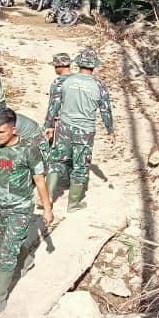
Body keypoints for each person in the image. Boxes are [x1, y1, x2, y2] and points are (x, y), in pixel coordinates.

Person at [0, 108, 54, 314]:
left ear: (13, 129)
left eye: (2, 132)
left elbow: (40, 180)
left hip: (21, 208)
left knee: (6, 253)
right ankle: (25, 257)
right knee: (5, 241)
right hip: (1, 206)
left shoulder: (29, 150)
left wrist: (47, 209)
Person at [43, 47, 114, 211]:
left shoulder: (67, 81)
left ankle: (46, 198)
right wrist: (110, 130)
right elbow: (105, 111)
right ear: (94, 66)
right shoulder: (100, 86)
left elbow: (54, 105)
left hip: (64, 127)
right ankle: (73, 203)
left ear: (79, 63)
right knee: (80, 166)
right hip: (85, 131)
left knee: (56, 161)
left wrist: (48, 126)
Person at [42, 52, 75, 199]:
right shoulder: (78, 80)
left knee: (56, 157)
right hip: (81, 123)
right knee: (74, 153)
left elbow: (53, 106)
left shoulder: (58, 82)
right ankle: (69, 182)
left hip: (63, 122)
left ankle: (47, 195)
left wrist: (48, 125)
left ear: (59, 66)